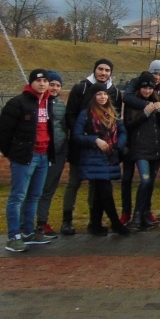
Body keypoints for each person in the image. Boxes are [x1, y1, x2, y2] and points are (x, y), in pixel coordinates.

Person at [0, 68, 56, 252]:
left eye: (45, 81)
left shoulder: (48, 103)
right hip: (25, 157)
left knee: (34, 195)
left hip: (43, 156)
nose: (42, 84)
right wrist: (13, 154)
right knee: (17, 197)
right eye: (38, 81)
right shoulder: (18, 103)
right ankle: (13, 236)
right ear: (31, 83)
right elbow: (2, 132)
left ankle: (28, 232)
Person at [60, 59, 123, 236]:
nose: (103, 73)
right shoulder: (81, 88)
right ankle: (67, 220)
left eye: (107, 70)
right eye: (100, 69)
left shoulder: (114, 92)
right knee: (74, 182)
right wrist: (87, 136)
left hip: (103, 150)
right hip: (82, 145)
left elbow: (115, 120)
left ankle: (94, 220)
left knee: (97, 186)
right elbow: (70, 115)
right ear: (94, 69)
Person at [73, 88, 130, 236]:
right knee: (105, 191)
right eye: (98, 94)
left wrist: (119, 144)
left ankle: (95, 224)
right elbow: (77, 136)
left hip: (109, 156)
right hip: (93, 158)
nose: (103, 96)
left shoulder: (112, 113)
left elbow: (123, 131)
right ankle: (115, 223)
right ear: (93, 96)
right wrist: (95, 140)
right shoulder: (85, 114)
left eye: (105, 94)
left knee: (100, 193)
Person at [121, 71, 160, 230]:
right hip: (140, 149)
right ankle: (136, 215)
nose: (147, 91)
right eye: (145, 88)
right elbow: (128, 125)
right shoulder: (133, 103)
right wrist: (145, 113)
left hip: (155, 149)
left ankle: (144, 214)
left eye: (150, 88)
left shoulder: (158, 100)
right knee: (145, 180)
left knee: (150, 184)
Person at [34, 70, 67, 238]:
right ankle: (24, 224)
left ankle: (42, 221)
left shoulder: (61, 105)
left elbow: (64, 127)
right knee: (33, 189)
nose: (54, 88)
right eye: (52, 84)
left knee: (49, 189)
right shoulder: (37, 103)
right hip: (39, 152)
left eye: (58, 85)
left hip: (58, 153)